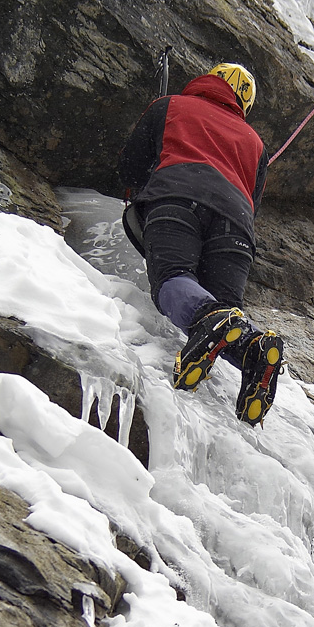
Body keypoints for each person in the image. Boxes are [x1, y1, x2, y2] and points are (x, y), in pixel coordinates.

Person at [118, 62, 284, 427]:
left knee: (174, 280)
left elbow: (130, 167)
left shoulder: (170, 105)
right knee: (225, 311)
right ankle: (256, 352)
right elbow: (253, 200)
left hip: (178, 199)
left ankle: (215, 325)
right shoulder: (256, 145)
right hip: (237, 226)